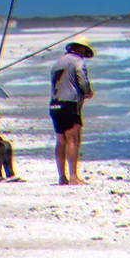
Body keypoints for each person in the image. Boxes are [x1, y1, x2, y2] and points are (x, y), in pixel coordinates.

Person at [49, 34, 94, 185]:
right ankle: (74, 176)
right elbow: (82, 79)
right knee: (73, 140)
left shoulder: (57, 62)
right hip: (70, 103)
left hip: (55, 103)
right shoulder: (77, 61)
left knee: (60, 140)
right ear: (80, 48)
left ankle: (62, 176)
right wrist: (88, 92)